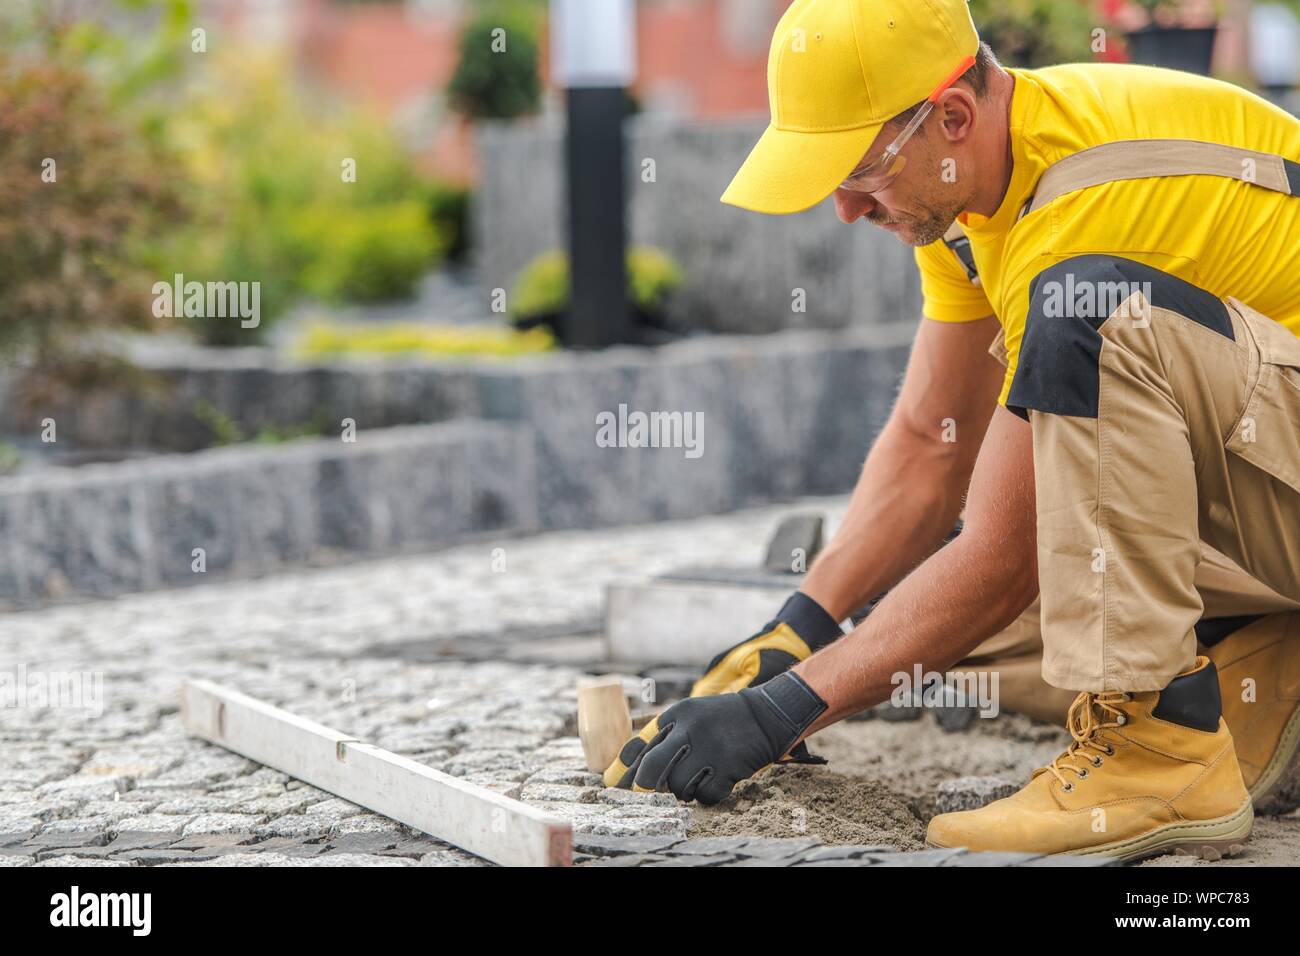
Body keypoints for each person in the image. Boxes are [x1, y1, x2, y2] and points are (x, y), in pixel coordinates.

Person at [605, 0, 1300, 861]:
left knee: (1089, 328)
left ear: (952, 116)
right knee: (946, 624)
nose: (846, 212)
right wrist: (799, 630)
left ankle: (1161, 754)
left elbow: (1000, 558)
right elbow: (932, 444)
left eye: (858, 175)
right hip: (1271, 481)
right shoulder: (969, 182)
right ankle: (1254, 649)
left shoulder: (1088, 203)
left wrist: (775, 711)